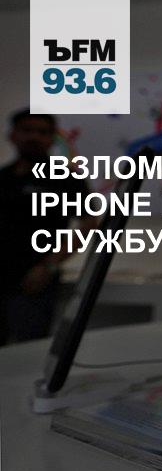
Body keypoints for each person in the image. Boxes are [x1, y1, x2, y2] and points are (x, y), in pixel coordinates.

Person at [0, 110, 96, 344]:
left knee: (26, 351)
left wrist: (49, 266)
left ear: (52, 138)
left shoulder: (66, 178)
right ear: (12, 135)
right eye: (27, 130)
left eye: (42, 132)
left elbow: (88, 224)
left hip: (34, 281)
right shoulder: (3, 178)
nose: (34, 137)